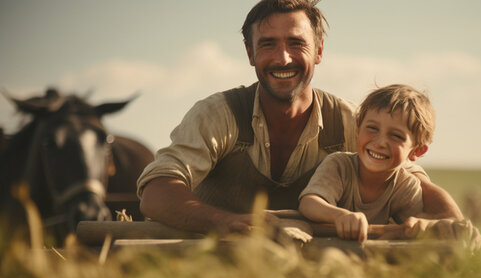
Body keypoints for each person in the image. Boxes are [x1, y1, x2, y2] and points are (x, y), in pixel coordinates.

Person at [137, 0, 463, 236]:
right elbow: (156, 192)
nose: (283, 58)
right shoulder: (216, 115)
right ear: (250, 53)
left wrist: (454, 225)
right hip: (217, 266)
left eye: (296, 43)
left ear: (319, 50)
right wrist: (223, 222)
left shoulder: (354, 122)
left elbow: (415, 182)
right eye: (268, 45)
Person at [299, 84, 439, 243]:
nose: (380, 142)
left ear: (416, 151)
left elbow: (414, 227)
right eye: (372, 128)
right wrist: (340, 216)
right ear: (357, 130)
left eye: (396, 136)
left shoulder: (406, 185)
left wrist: (419, 226)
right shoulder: (339, 165)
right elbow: (309, 203)